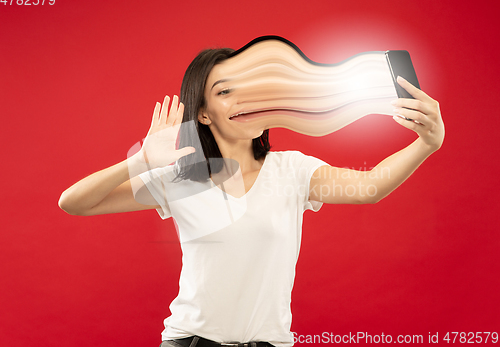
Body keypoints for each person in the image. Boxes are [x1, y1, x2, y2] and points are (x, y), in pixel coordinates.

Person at [58, 47, 445, 347]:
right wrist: (140, 160)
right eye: (226, 91)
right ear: (204, 114)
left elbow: (370, 187)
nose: (243, 100)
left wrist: (427, 143)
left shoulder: (291, 170)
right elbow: (73, 202)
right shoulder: (181, 176)